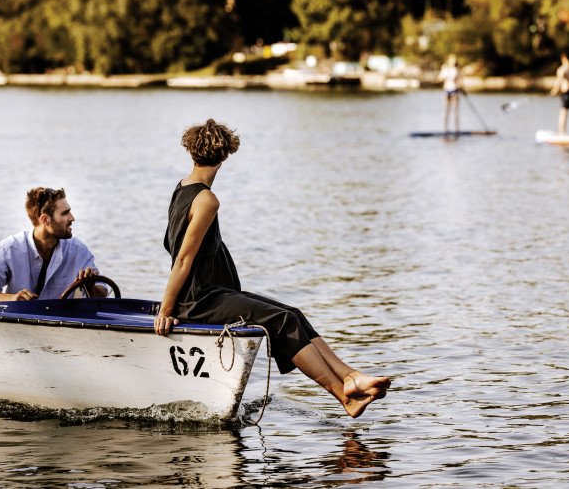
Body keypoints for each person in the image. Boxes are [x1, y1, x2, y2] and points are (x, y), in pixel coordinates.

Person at [154, 119, 391, 418]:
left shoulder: (182, 188)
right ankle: (344, 397)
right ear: (226, 156)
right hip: (198, 300)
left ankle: (349, 377)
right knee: (283, 321)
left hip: (209, 292)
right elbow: (183, 259)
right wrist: (166, 310)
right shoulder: (207, 200)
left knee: (294, 314)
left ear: (190, 152)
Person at [0, 187, 106, 302]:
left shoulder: (78, 250)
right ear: (45, 219)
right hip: (19, 324)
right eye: (65, 213)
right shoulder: (8, 249)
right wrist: (12, 298)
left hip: (61, 325)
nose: (72, 218)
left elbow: (102, 295)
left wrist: (90, 287)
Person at [438, 55, 464, 132]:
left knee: (455, 111)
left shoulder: (457, 70)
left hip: (454, 91)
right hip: (446, 91)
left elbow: (460, 82)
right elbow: (439, 79)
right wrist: (442, 70)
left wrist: (462, 89)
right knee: (446, 111)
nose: (453, 62)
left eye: (454, 60)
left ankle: (457, 129)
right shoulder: (445, 69)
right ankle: (446, 129)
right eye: (452, 60)